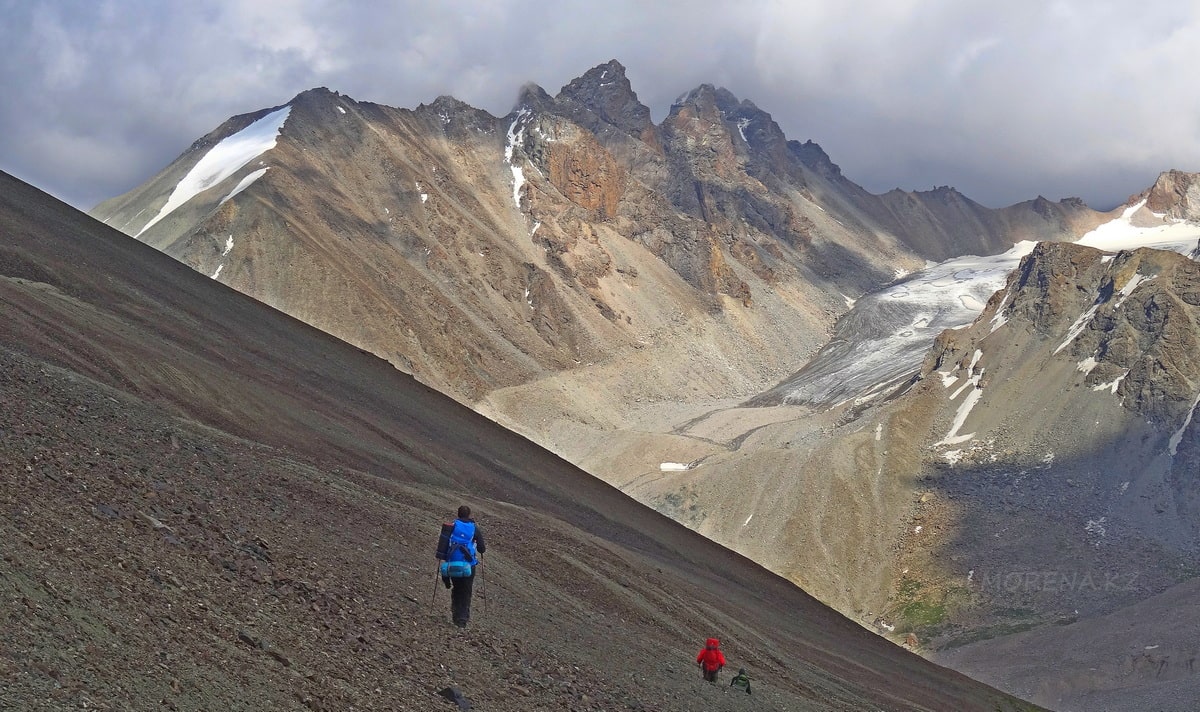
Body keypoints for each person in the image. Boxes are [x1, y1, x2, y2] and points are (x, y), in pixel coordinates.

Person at [437, 505, 485, 628]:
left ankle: (455, 614)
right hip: (469, 565)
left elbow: (443, 543)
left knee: (457, 589)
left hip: (453, 562)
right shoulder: (474, 528)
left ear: (458, 514)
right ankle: (462, 619)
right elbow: (481, 548)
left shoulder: (452, 526)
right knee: (466, 591)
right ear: (469, 514)